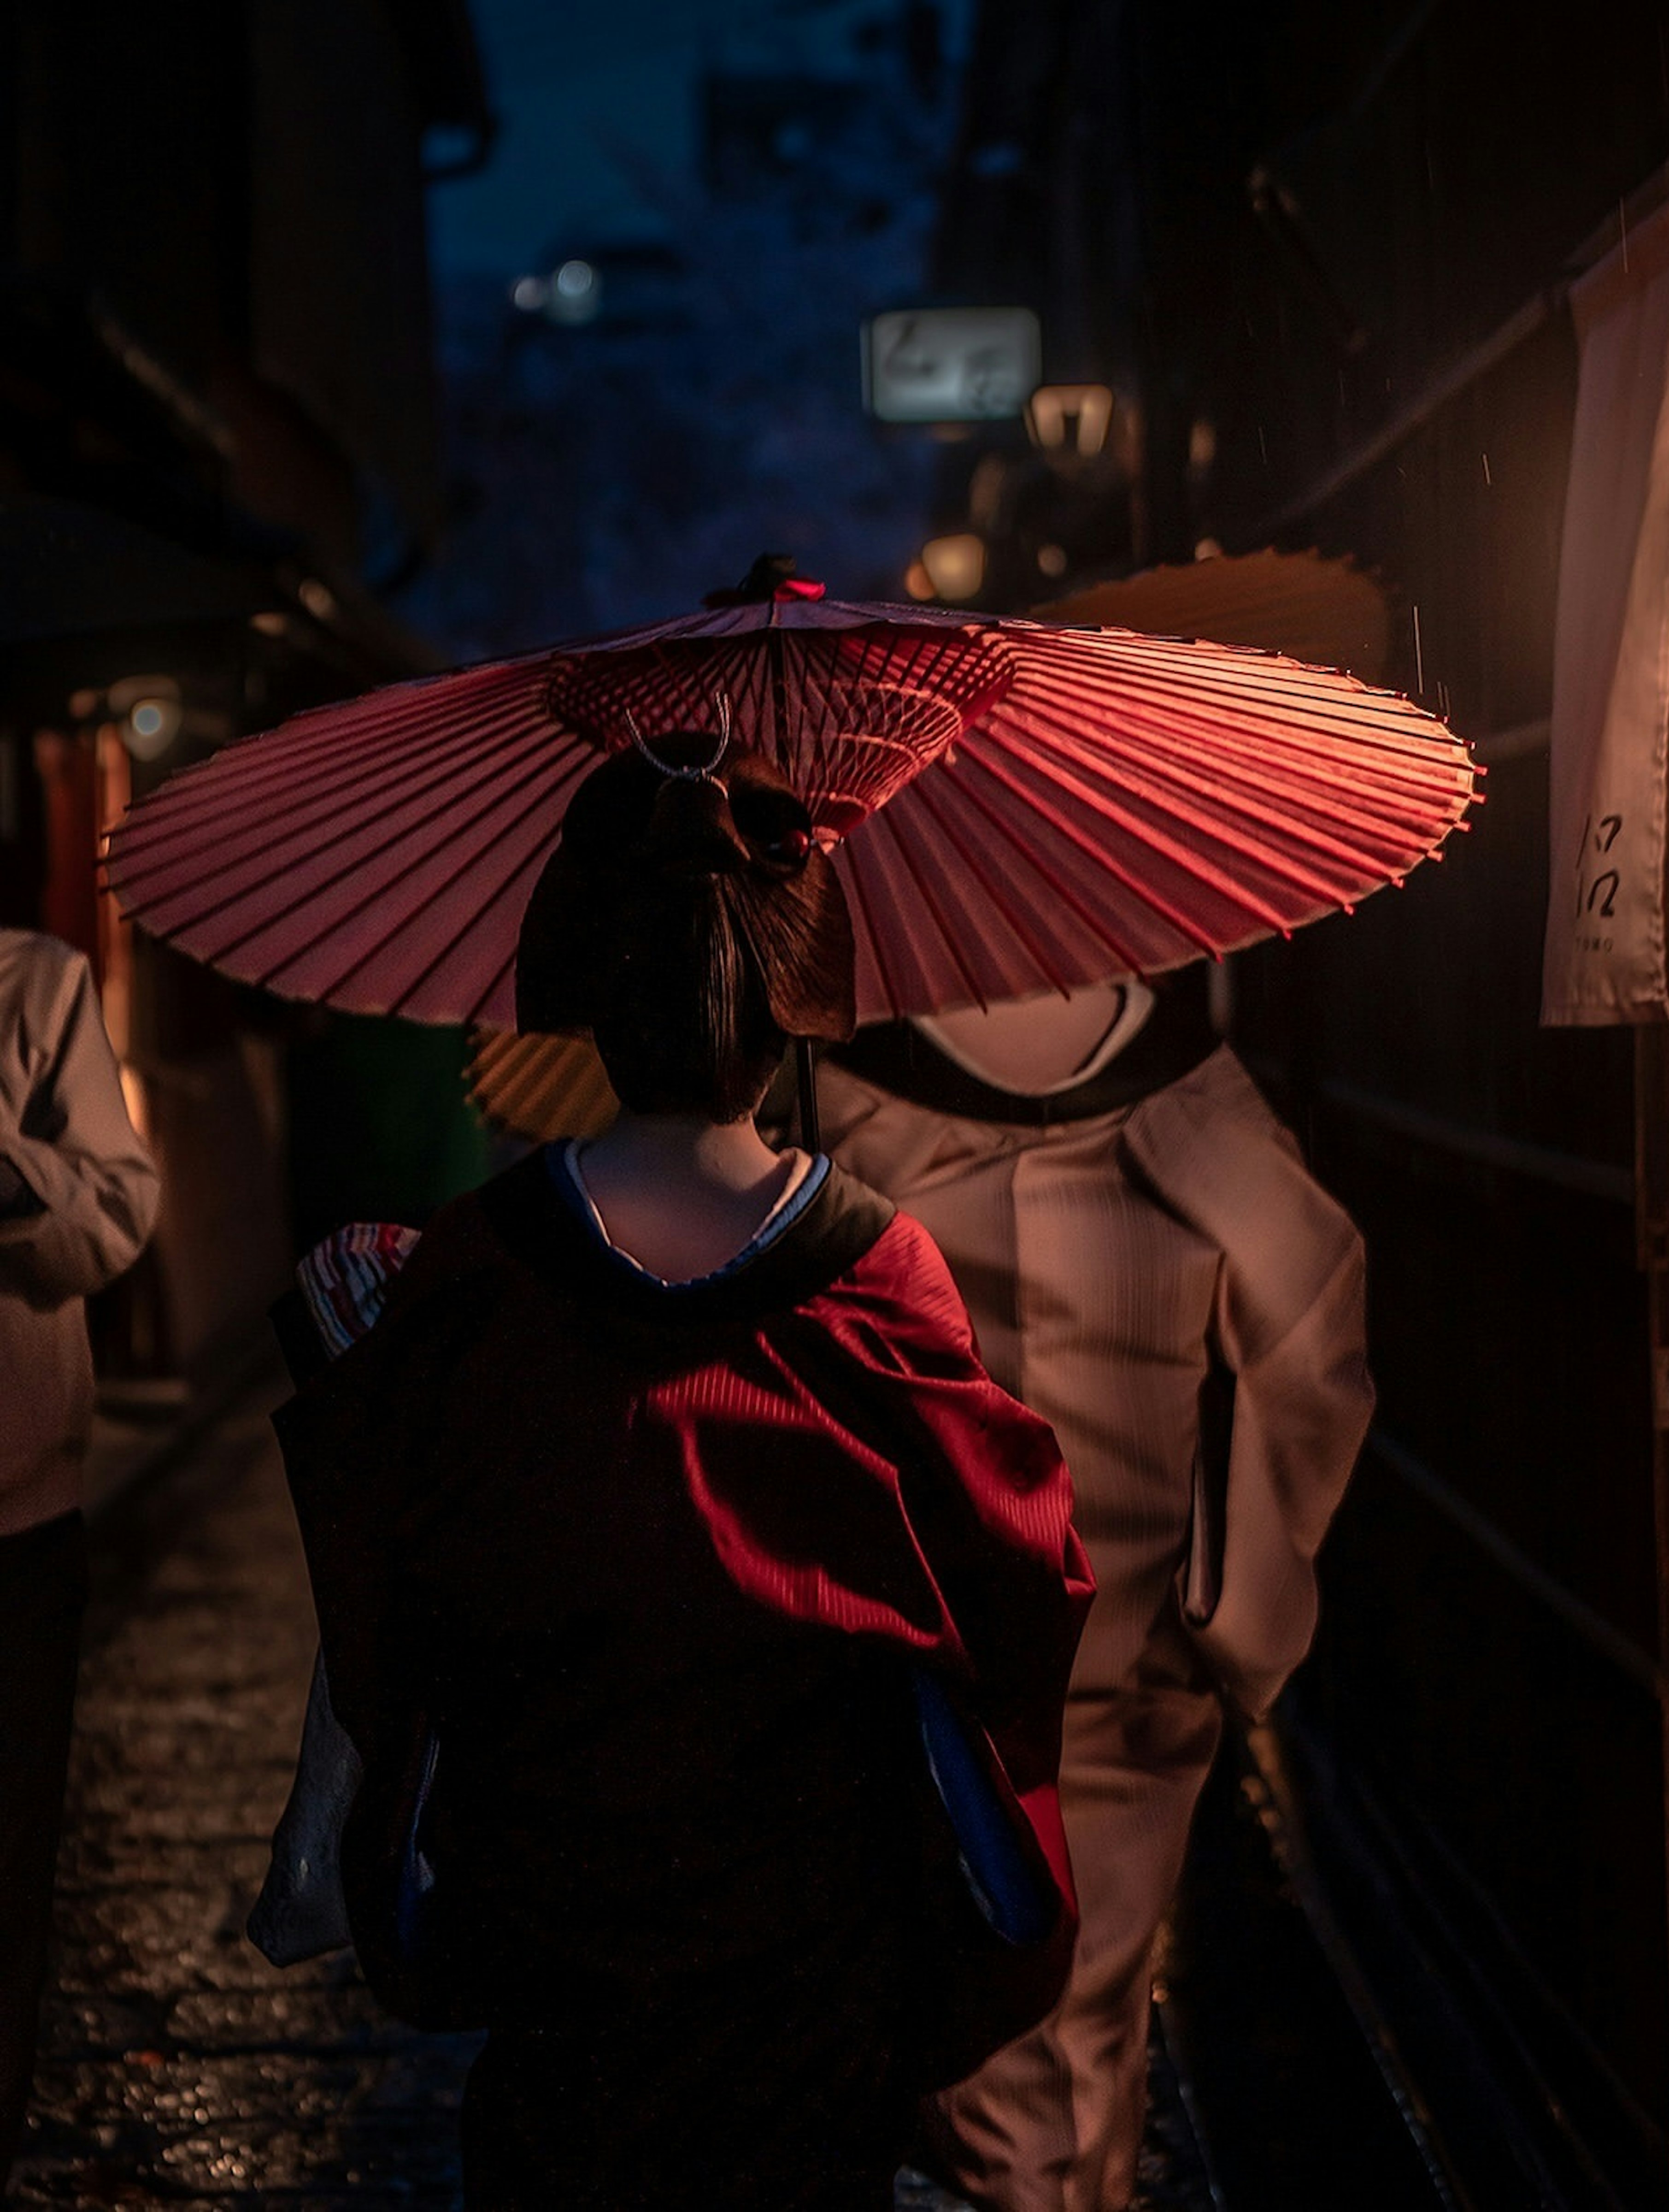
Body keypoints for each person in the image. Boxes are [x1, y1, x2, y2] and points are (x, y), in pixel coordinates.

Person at [270, 732, 1093, 2212]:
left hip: (552, 1933)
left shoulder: (478, 1268)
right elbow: (1016, 1567)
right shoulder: (876, 1268)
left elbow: (388, 1571)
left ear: (589, 1000)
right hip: (812, 1956)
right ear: (795, 1016)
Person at [818, 966, 1375, 2212]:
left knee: (977, 2002)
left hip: (933, 1644)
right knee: (1097, 2004)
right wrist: (1238, 1611)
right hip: (1128, 1642)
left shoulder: (851, 1094)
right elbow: (1313, 1345)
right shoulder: (1192, 1100)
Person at [0, 927, 160, 2189]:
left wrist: (4, 1167)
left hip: (18, 1515)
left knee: (10, 1871)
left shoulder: (36, 986)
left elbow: (114, 1216)